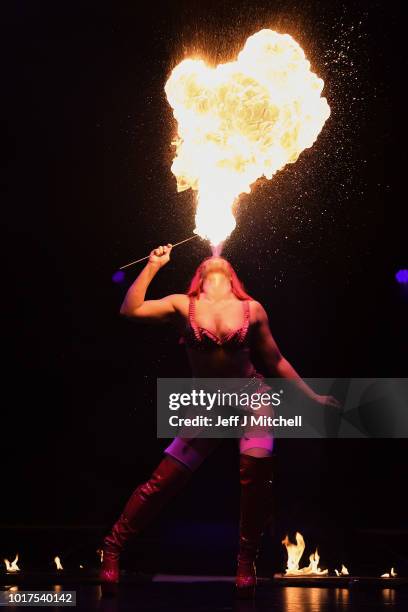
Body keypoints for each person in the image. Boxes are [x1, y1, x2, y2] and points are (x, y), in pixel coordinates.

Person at [100, 244, 340, 598]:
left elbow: (276, 361)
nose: (216, 258)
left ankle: (246, 561)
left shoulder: (251, 308)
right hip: (206, 405)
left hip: (251, 399)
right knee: (163, 482)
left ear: (231, 276)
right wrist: (153, 265)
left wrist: (313, 396)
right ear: (200, 274)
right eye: (208, 261)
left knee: (255, 478)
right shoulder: (183, 304)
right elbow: (130, 309)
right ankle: (113, 547)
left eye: (222, 262)